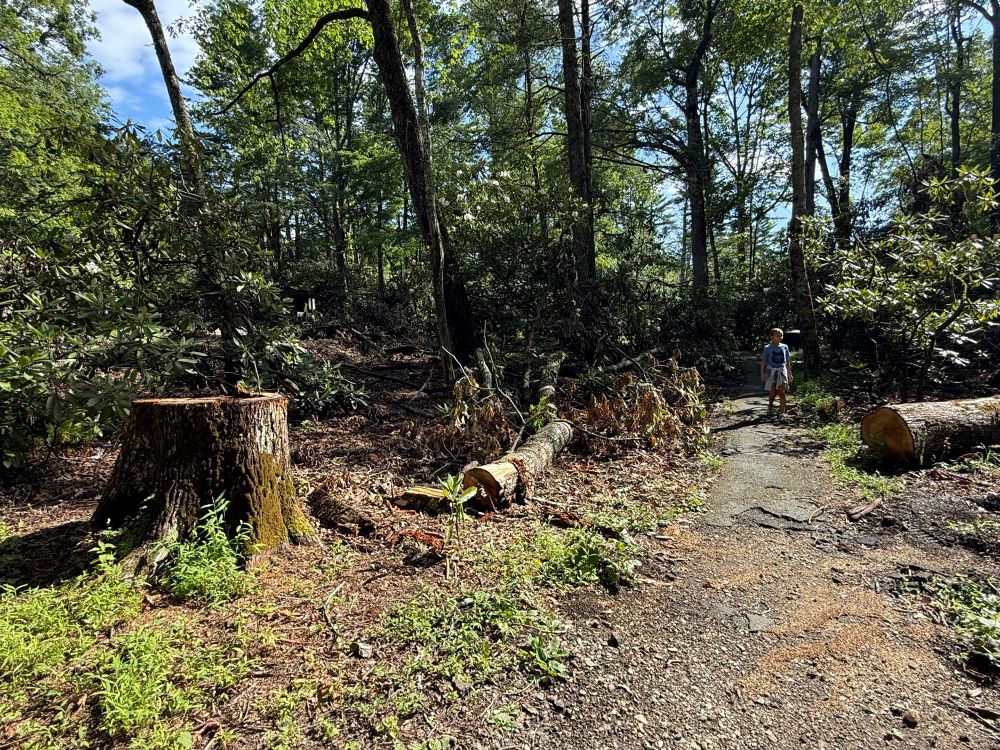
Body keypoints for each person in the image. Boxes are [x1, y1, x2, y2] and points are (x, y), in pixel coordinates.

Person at [760, 327, 793, 417]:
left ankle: (782, 413)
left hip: (782, 371)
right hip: (770, 372)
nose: (780, 337)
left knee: (782, 392)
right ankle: (770, 404)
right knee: (773, 392)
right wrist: (762, 373)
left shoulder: (785, 347)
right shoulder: (768, 348)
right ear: (772, 336)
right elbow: (763, 361)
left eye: (781, 335)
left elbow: (787, 361)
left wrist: (789, 373)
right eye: (777, 336)